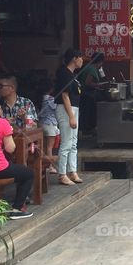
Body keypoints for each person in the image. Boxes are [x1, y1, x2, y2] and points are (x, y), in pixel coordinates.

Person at [55, 48, 85, 186]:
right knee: (66, 142)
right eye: (80, 57)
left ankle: (72, 171)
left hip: (74, 108)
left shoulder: (72, 74)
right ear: (74, 58)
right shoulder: (64, 74)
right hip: (66, 109)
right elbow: (64, 96)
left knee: (73, 142)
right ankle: (62, 174)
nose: (82, 60)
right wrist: (71, 116)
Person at [77, 52, 105, 133]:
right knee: (87, 114)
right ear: (100, 62)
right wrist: (99, 85)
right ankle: (86, 130)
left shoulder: (90, 67)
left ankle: (85, 130)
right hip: (87, 95)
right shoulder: (91, 69)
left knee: (86, 113)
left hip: (86, 94)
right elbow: (88, 83)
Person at [38, 87, 60, 174]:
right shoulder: (50, 99)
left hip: (42, 123)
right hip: (49, 123)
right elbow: (57, 109)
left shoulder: (40, 98)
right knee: (50, 146)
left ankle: (44, 165)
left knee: (44, 145)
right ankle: (50, 166)